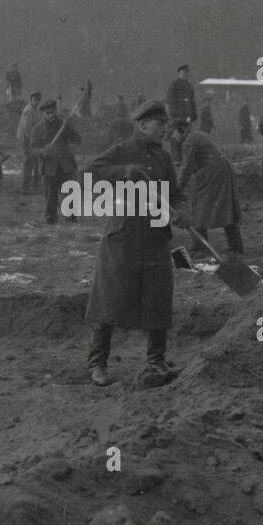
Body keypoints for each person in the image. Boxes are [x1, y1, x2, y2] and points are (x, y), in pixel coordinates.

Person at [81, 100, 192, 387]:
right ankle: (97, 364)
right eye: (159, 125)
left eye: (166, 126)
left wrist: (182, 211)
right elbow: (87, 174)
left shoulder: (165, 158)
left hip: (156, 234)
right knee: (109, 298)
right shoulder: (122, 151)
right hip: (124, 234)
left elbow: (176, 194)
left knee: (157, 297)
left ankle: (156, 361)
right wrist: (123, 172)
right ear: (142, 125)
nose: (164, 131)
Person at [171, 119, 242, 257]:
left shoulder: (189, 140)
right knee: (227, 208)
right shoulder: (197, 134)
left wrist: (176, 190)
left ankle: (200, 247)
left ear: (180, 129)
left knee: (198, 206)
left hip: (212, 173)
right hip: (221, 169)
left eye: (172, 132)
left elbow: (186, 169)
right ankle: (236, 246)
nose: (172, 137)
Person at [31, 100, 81, 224]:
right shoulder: (37, 129)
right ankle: (51, 219)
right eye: (48, 113)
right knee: (50, 197)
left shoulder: (63, 125)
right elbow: (32, 148)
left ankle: (71, 219)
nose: (51, 115)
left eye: (53, 112)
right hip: (49, 167)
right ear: (43, 113)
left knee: (69, 194)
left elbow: (78, 140)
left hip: (66, 166)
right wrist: (42, 152)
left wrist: (69, 128)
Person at [16, 91, 43, 192]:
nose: (37, 102)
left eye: (38, 100)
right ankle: (25, 187)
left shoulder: (35, 109)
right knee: (29, 162)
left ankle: (35, 182)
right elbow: (27, 128)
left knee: (35, 160)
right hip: (27, 139)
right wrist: (32, 142)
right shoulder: (29, 110)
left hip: (32, 138)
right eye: (35, 100)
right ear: (30, 100)